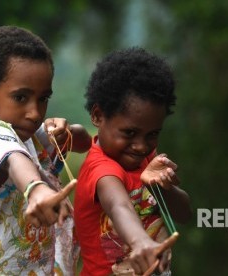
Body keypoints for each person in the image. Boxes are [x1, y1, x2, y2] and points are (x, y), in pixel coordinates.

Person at [0, 26, 92, 275]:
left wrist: (67, 130)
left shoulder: (26, 131)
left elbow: (84, 143)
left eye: (43, 98)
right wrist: (36, 189)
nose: (35, 113)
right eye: (21, 98)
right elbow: (13, 159)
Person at [74, 47, 192, 276]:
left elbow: (185, 213)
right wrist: (140, 242)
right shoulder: (102, 169)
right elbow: (119, 205)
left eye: (152, 134)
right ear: (98, 116)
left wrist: (161, 187)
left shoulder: (146, 158)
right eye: (129, 133)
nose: (141, 145)